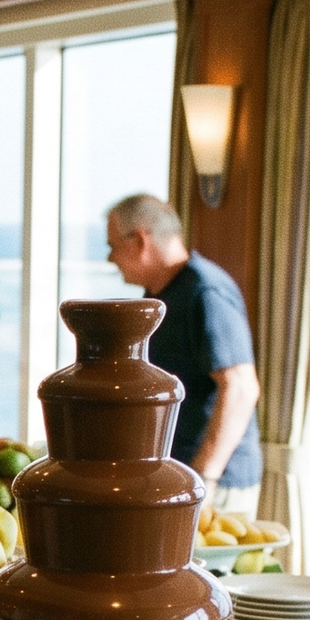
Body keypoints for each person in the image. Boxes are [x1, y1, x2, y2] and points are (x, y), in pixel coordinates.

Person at [105, 193, 261, 512]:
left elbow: (241, 388)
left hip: (215, 483)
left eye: (113, 246)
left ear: (140, 241)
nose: (110, 258)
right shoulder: (160, 294)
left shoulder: (205, 292)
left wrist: (205, 478)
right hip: (180, 478)